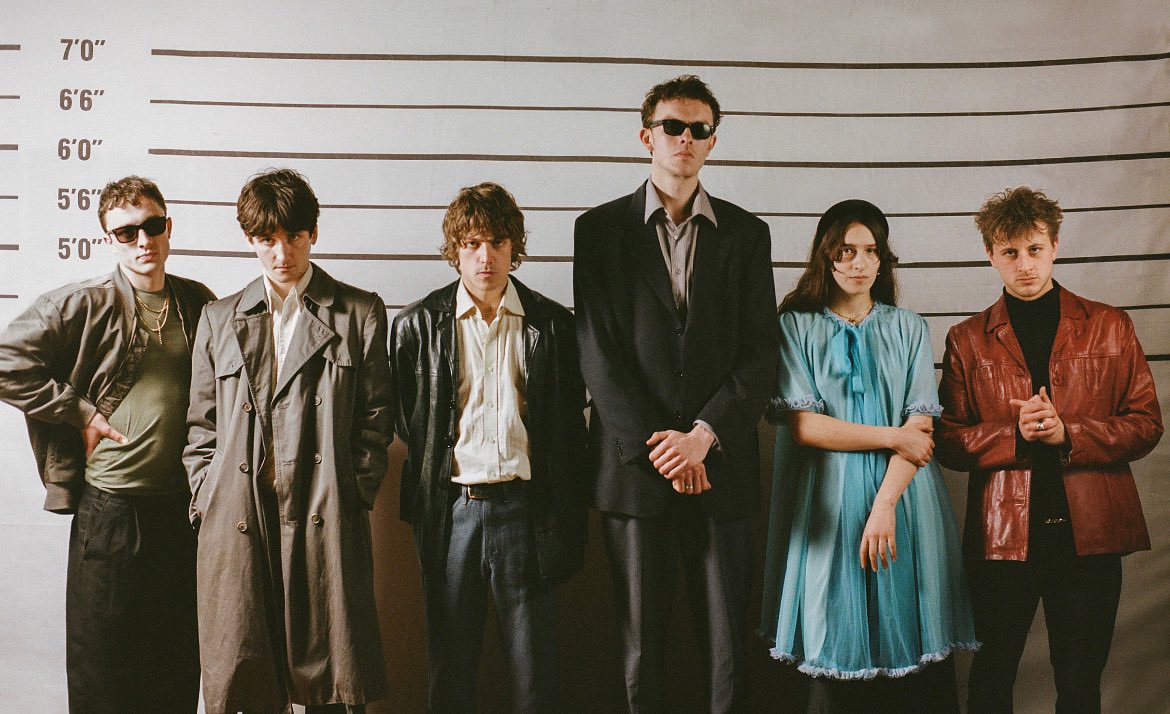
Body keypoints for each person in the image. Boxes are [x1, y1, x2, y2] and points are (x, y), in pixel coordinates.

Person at [573, 74, 778, 712]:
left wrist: (703, 437)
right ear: (647, 137)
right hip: (637, 471)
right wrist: (664, 449)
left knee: (727, 647)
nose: (685, 138)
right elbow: (598, 354)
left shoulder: (747, 234)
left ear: (713, 141)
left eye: (699, 129)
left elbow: (761, 353)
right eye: (672, 127)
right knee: (641, 648)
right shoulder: (598, 231)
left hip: (722, 466)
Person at [936, 186, 1163, 713]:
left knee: (1080, 685)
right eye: (1010, 252)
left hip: (1090, 538)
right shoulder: (967, 339)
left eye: (1034, 249)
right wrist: (1014, 437)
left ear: (1055, 246)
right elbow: (947, 440)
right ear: (990, 254)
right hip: (1002, 539)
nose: (1024, 264)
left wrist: (1070, 435)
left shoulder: (1110, 325)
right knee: (991, 679)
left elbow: (1147, 424)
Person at [0, 175, 213, 712]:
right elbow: (5, 361)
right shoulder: (83, 303)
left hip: (182, 514)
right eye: (126, 232)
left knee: (175, 669)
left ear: (169, 227)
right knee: (104, 675)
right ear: (108, 239)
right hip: (111, 516)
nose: (143, 241)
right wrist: (81, 412)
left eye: (153, 226)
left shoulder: (197, 302)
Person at [184, 168, 392, 714]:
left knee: (330, 681)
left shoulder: (359, 312)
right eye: (266, 239)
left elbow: (375, 419)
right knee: (248, 677)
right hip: (240, 515)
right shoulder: (219, 318)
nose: (281, 254)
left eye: (294, 236)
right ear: (250, 240)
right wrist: (208, 495)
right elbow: (201, 426)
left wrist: (354, 491)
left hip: (324, 510)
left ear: (313, 233)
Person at [759, 199, 977, 713]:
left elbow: (920, 433)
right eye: (846, 251)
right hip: (826, 503)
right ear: (825, 256)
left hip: (905, 501)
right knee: (832, 632)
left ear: (883, 259)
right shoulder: (794, 325)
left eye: (871, 251)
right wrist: (893, 436)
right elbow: (806, 427)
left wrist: (885, 506)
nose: (859, 262)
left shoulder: (909, 327)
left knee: (910, 632)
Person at [390, 182, 588, 712]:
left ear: (514, 247)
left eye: (498, 242)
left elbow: (568, 427)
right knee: (450, 671)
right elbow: (411, 422)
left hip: (526, 510)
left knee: (534, 676)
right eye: (473, 243)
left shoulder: (553, 325)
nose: (486, 257)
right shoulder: (416, 325)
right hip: (451, 510)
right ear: (455, 249)